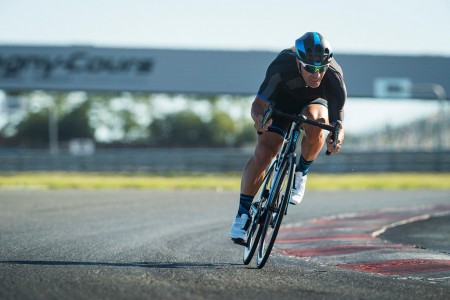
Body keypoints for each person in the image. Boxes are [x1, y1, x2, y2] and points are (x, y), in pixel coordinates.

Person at [230, 32, 347, 245]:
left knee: (315, 122)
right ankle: (243, 214)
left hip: (313, 102)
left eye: (321, 68)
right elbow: (258, 105)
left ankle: (301, 172)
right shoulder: (282, 65)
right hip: (281, 102)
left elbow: (338, 122)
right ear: (297, 62)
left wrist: (336, 138)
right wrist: (259, 120)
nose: (317, 74)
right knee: (266, 150)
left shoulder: (334, 76)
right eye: (310, 68)